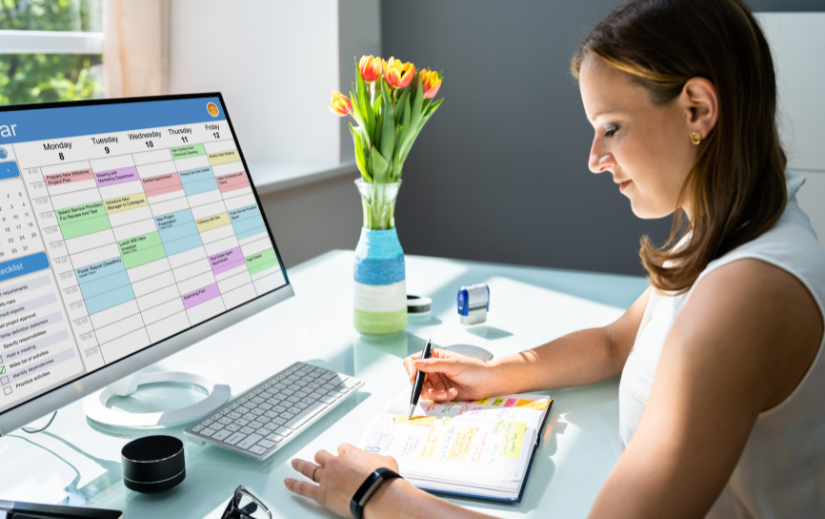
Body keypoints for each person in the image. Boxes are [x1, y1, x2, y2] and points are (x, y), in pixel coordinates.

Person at [284, 0, 825, 517]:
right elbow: (617, 342)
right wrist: (494, 375)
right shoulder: (728, 230)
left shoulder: (747, 292)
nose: (594, 159)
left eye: (611, 127)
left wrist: (378, 494)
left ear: (697, 110)